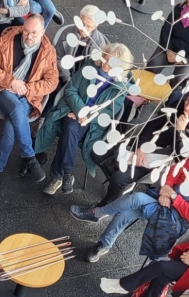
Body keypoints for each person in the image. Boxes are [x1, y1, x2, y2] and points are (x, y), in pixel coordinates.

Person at [70, 149, 189, 263]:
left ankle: (97, 213)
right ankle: (104, 244)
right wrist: (166, 189)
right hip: (163, 196)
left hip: (175, 215)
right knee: (124, 214)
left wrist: (173, 197)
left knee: (137, 198)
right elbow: (175, 170)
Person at [37, 43, 133, 196]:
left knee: (70, 131)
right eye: (105, 60)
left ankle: (60, 176)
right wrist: (80, 110)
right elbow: (71, 89)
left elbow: (109, 112)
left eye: (111, 64)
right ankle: (66, 173)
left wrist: (86, 116)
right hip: (72, 109)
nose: (105, 65)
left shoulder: (120, 87)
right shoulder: (90, 67)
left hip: (92, 122)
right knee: (71, 129)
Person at [0, 14, 59, 193]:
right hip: (3, 90)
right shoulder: (5, 42)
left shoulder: (48, 52)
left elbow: (52, 82)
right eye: (26, 31)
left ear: (43, 32)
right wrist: (11, 81)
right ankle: (29, 156)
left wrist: (28, 88)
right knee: (15, 108)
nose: (29, 36)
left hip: (27, 96)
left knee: (10, 125)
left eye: (34, 33)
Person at [99, 86, 189, 206]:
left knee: (119, 178)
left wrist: (180, 132)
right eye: (187, 101)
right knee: (100, 154)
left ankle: (105, 207)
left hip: (161, 162)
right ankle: (120, 182)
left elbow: (182, 156)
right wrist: (142, 146)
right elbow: (152, 125)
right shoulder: (178, 104)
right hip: (148, 144)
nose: (186, 107)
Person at [53, 5, 108, 84]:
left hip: (84, 81)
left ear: (95, 26)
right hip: (63, 74)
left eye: (88, 26)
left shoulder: (100, 43)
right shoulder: (66, 33)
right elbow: (57, 57)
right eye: (82, 23)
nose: (83, 28)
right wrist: (67, 79)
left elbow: (96, 68)